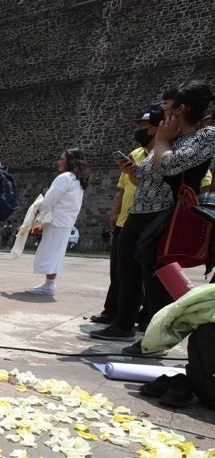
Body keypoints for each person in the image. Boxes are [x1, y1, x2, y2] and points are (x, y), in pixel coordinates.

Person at [91, 83, 215, 352]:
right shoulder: (168, 137)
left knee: (154, 277)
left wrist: (160, 141)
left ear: (181, 109)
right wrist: (133, 170)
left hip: (166, 214)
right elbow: (148, 175)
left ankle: (153, 337)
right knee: (127, 271)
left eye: (167, 106)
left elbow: (170, 165)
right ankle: (123, 324)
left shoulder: (204, 136)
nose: (162, 110)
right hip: (140, 212)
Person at [92, 110, 155, 325]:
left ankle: (143, 316)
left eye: (143, 126)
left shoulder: (163, 154)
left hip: (148, 220)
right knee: (119, 270)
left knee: (143, 273)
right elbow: (122, 187)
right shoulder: (135, 153)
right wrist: (114, 212)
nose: (139, 130)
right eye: (138, 126)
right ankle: (113, 310)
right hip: (125, 220)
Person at [24, 149, 90, 296]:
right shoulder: (77, 179)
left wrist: (39, 214)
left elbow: (50, 199)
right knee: (55, 251)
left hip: (56, 219)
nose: (59, 161)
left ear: (70, 161)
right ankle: (49, 282)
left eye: (62, 159)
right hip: (66, 220)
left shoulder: (65, 177)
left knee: (51, 251)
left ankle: (49, 284)